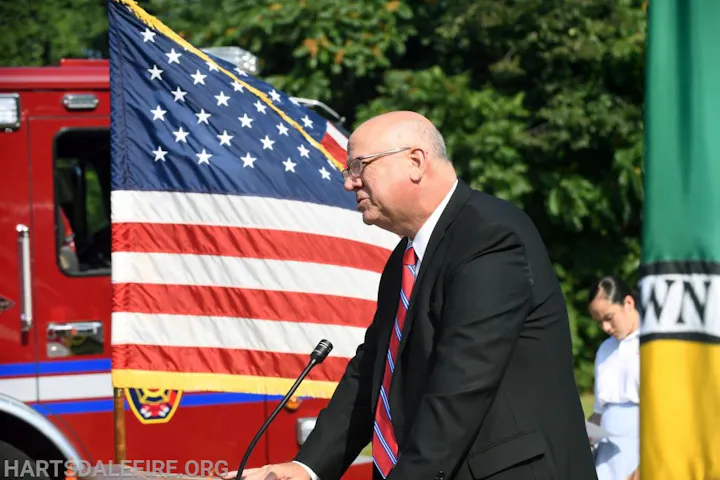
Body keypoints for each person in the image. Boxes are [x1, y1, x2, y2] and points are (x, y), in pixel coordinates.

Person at [224, 111, 597, 480]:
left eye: (359, 166)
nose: (349, 184)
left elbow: (462, 384)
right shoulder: (403, 261)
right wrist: (306, 468)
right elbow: (372, 371)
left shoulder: (490, 237)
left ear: (415, 162)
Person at [586, 276, 640, 480]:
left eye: (609, 317)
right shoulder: (605, 349)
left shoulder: (652, 344)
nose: (605, 328)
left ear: (628, 303)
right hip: (607, 456)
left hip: (640, 448)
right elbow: (599, 411)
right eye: (599, 322)